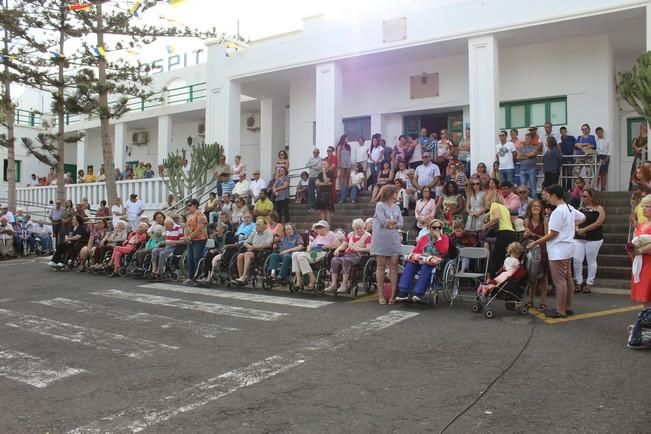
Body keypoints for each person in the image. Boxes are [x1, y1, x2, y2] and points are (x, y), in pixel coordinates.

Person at [529, 184, 585, 318]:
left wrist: (536, 242)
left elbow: (553, 233)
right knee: (567, 278)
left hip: (558, 249)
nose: (547, 199)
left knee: (559, 280)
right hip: (568, 247)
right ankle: (567, 307)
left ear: (554, 195)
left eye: (548, 196)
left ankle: (560, 310)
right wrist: (572, 226)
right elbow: (583, 217)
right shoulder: (569, 208)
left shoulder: (558, 211)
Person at [396, 219, 450, 302]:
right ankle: (404, 291)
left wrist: (439, 238)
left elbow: (444, 251)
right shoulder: (424, 238)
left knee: (426, 268)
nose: (437, 230)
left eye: (439, 227)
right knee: (409, 265)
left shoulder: (444, 238)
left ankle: (419, 293)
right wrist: (417, 257)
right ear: (429, 228)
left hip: (435, 261)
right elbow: (416, 250)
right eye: (434, 227)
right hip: (422, 259)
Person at [370, 185, 403, 304]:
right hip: (381, 239)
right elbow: (383, 221)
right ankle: (381, 295)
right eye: (395, 192)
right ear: (390, 193)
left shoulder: (396, 207)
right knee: (381, 266)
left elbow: (401, 223)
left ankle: (393, 295)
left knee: (394, 266)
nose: (397, 194)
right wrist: (392, 223)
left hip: (393, 238)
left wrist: (392, 224)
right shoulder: (380, 205)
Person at [324, 218, 371, 294]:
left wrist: (357, 248)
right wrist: (338, 250)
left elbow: (369, 249)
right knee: (334, 260)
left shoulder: (367, 236)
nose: (359, 230)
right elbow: (344, 245)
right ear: (353, 229)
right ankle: (334, 284)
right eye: (357, 229)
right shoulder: (350, 234)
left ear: (364, 227)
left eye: (360, 228)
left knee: (346, 260)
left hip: (360, 257)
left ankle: (344, 285)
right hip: (347, 255)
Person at [291, 220, 340, 290]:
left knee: (301, 257)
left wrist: (328, 246)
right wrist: (308, 248)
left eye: (320, 228)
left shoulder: (331, 234)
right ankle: (299, 280)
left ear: (326, 228)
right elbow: (311, 245)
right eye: (317, 228)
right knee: (295, 254)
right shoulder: (319, 236)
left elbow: (339, 245)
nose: (318, 229)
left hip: (321, 253)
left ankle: (312, 278)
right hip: (313, 252)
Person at [573, 188, 605, 294]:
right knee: (577, 259)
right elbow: (575, 221)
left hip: (594, 238)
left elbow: (599, 222)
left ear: (592, 197)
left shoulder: (599, 208)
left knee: (591, 260)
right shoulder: (581, 208)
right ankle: (578, 281)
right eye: (583, 196)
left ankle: (589, 282)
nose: (583, 198)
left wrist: (584, 229)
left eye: (585, 196)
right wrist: (577, 230)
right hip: (579, 237)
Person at [482, 190, 516, 278]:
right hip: (511, 233)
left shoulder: (494, 205)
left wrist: (486, 226)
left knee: (496, 259)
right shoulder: (505, 208)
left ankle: (491, 280)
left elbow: (497, 218)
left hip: (503, 233)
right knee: (505, 258)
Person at [523, 199, 549, 311]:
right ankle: (530, 300)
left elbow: (547, 236)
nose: (536, 208)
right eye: (533, 206)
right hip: (530, 249)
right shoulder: (526, 220)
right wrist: (525, 234)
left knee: (543, 277)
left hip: (542, 249)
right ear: (530, 208)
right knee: (531, 276)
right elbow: (525, 237)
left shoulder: (545, 220)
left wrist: (535, 237)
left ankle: (543, 302)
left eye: (538, 206)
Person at [232, 218, 273, 285]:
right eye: (256, 225)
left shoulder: (268, 233)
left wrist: (254, 247)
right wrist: (249, 246)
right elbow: (245, 242)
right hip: (252, 250)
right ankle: (241, 277)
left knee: (247, 254)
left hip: (262, 252)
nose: (256, 227)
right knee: (240, 255)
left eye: (258, 225)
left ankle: (244, 276)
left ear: (265, 225)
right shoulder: (254, 233)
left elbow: (268, 244)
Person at [630, 194, 651, 311]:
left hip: (649, 262)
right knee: (644, 294)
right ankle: (646, 321)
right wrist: (631, 250)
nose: (643, 209)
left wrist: (640, 250)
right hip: (641, 262)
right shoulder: (641, 224)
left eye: (647, 206)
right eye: (643, 206)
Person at [184, 198, 208, 283]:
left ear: (195, 205)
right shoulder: (189, 216)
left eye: (190, 205)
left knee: (196, 258)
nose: (188, 207)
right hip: (190, 239)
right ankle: (191, 277)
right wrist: (186, 237)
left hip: (199, 239)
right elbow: (187, 227)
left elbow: (200, 229)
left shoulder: (201, 215)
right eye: (187, 206)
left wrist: (190, 237)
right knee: (189, 258)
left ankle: (199, 276)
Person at [517, 132, 540, 197]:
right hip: (522, 170)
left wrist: (523, 155)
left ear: (531, 139)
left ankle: (534, 202)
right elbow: (518, 157)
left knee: (533, 187)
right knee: (522, 189)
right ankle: (524, 203)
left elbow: (533, 154)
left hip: (532, 170)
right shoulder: (521, 148)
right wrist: (528, 156)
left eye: (528, 138)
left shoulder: (534, 147)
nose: (526, 140)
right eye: (526, 138)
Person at [630, 121, 648, 191]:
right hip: (637, 156)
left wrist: (641, 148)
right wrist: (636, 148)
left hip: (645, 156)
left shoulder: (649, 137)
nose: (645, 127)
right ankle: (633, 187)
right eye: (643, 125)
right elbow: (633, 144)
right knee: (634, 171)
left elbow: (647, 145)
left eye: (646, 125)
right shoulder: (637, 137)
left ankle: (644, 187)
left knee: (644, 171)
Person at [335, 135, 352, 202]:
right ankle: (343, 190)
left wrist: (349, 161)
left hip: (348, 162)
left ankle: (347, 189)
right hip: (341, 162)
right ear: (343, 139)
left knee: (347, 176)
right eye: (346, 138)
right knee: (342, 176)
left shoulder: (348, 146)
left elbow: (349, 155)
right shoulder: (339, 146)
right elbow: (338, 155)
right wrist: (339, 164)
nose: (347, 139)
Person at [595, 127, 611, 192]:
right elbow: (594, 149)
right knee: (597, 173)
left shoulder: (607, 140)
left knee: (604, 173)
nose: (599, 133)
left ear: (602, 132)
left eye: (600, 132)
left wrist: (607, 158)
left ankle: (603, 188)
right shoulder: (595, 141)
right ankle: (596, 188)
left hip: (605, 157)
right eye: (597, 132)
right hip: (597, 157)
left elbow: (610, 149)